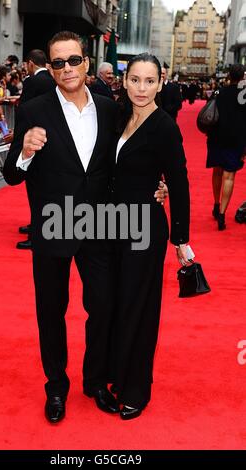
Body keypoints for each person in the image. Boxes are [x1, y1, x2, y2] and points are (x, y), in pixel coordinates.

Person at [3, 31, 167, 425]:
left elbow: (126, 161)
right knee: (51, 312)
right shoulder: (34, 109)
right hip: (52, 227)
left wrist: (153, 189)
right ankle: (56, 385)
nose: (66, 69)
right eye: (57, 63)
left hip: (99, 227)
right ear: (51, 68)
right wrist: (25, 151)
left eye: (73, 60)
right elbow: (10, 174)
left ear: (87, 63)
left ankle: (95, 381)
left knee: (104, 307)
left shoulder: (111, 108)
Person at [109, 53, 190, 420]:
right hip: (108, 225)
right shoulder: (116, 117)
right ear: (125, 82)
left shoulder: (164, 127)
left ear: (161, 83)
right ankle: (115, 374)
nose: (141, 88)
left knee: (139, 307)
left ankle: (136, 388)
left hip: (144, 228)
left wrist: (181, 238)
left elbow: (179, 182)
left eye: (149, 81)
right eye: (135, 80)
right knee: (114, 303)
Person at [17, 49, 56, 250]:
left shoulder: (32, 82)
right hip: (50, 141)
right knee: (43, 189)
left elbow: (23, 112)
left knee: (35, 190)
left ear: (31, 63)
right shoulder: (51, 80)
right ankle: (37, 226)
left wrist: (18, 142)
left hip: (33, 143)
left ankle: (36, 234)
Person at [206, 64, 246, 230]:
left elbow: (209, 114)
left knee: (217, 171)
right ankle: (222, 213)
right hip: (235, 141)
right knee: (229, 177)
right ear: (242, 76)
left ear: (229, 75)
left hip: (217, 138)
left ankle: (216, 204)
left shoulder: (219, 93)